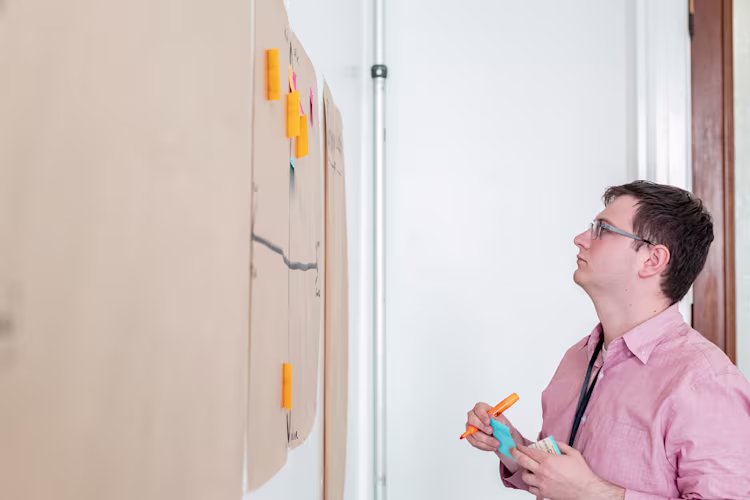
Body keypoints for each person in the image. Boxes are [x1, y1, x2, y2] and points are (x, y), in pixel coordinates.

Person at [465, 181, 750, 499]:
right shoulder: (577, 358)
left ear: (652, 260)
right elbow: (561, 480)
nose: (580, 239)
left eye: (602, 229)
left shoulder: (706, 381)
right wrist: (513, 447)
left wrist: (593, 492)